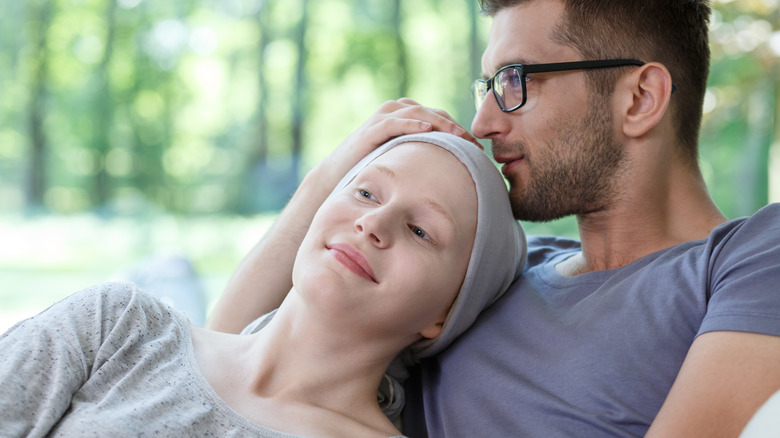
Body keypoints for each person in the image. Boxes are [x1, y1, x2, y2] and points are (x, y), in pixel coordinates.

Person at [207, 0, 780, 437]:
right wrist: (331, 176)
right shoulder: (491, 269)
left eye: (516, 81)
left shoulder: (749, 260)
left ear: (639, 99)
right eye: (489, 85)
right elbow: (227, 352)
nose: (482, 122)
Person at [0, 132, 526, 437]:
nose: (373, 223)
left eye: (420, 230)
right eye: (365, 192)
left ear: (443, 314)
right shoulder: (115, 326)